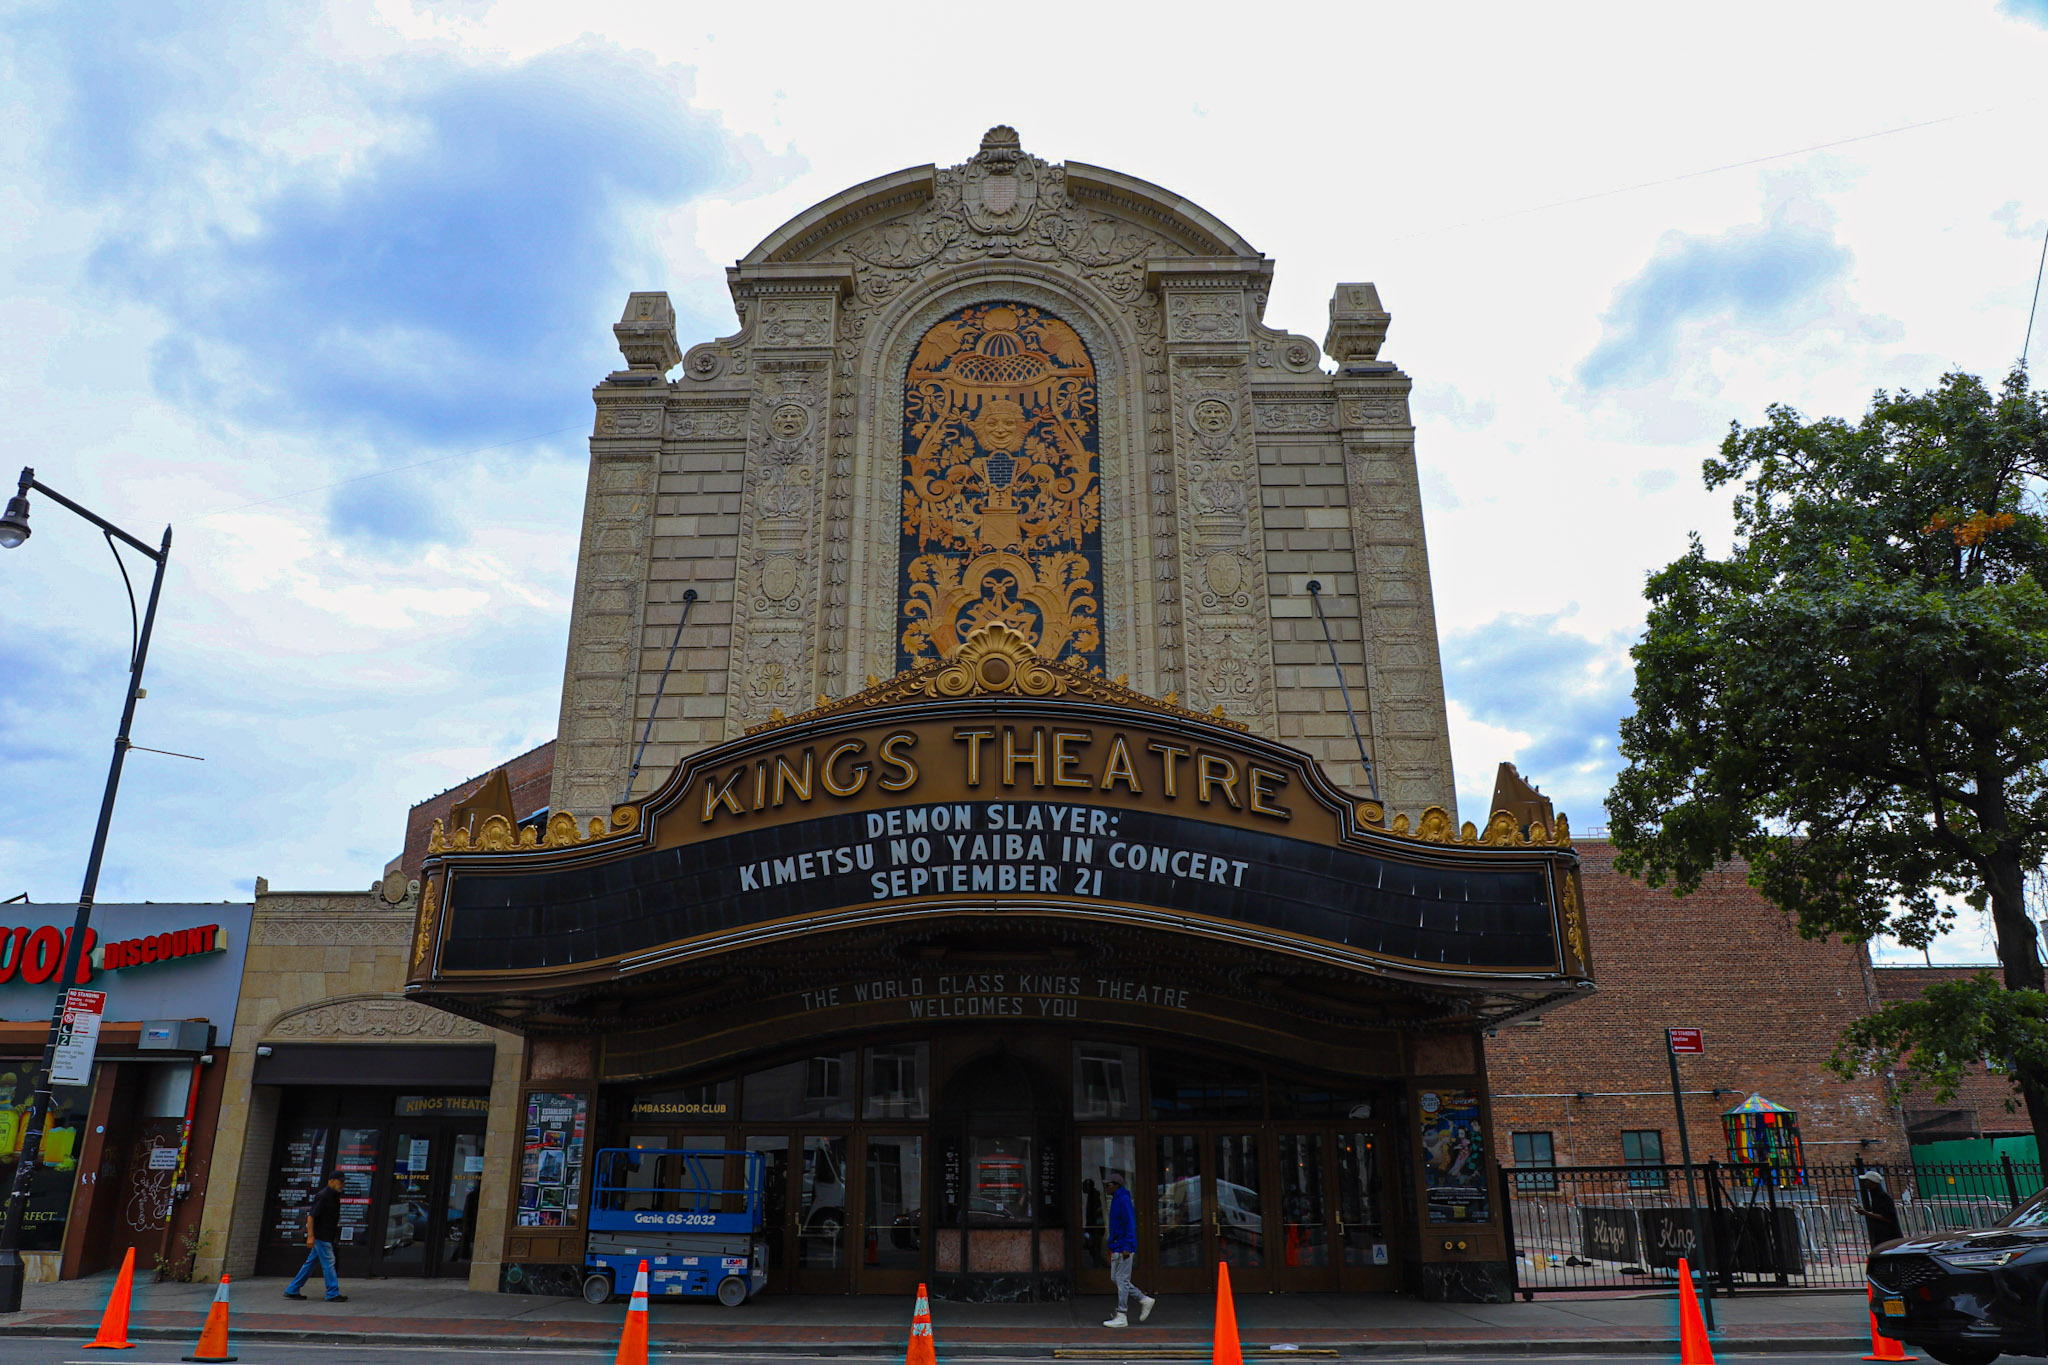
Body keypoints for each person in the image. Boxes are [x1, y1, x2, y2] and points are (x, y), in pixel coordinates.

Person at [284, 1170, 349, 1302]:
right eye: (340, 1181)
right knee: (329, 1262)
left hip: (326, 1235)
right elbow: (311, 1216)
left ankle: (293, 1289)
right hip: (322, 1236)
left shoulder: (335, 1195)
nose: (342, 1184)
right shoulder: (324, 1196)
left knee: (310, 1263)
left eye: (343, 1182)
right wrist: (310, 1236)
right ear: (331, 1181)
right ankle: (332, 1293)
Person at [1101, 1173, 1155, 1329]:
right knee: (1117, 1279)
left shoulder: (1123, 1200)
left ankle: (1122, 1314)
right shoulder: (1118, 1199)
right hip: (1118, 1246)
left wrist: (1126, 1246)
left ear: (1116, 1185)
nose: (1106, 1187)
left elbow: (1130, 1224)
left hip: (1123, 1247)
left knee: (1121, 1280)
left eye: (1109, 1184)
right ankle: (1143, 1299)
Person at [1856, 1168, 1904, 1248]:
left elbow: (1888, 1218)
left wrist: (1866, 1213)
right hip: (1881, 1235)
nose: (1865, 1183)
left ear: (1873, 1183)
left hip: (1889, 1236)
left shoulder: (1884, 1197)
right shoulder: (1875, 1196)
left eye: (1867, 1181)